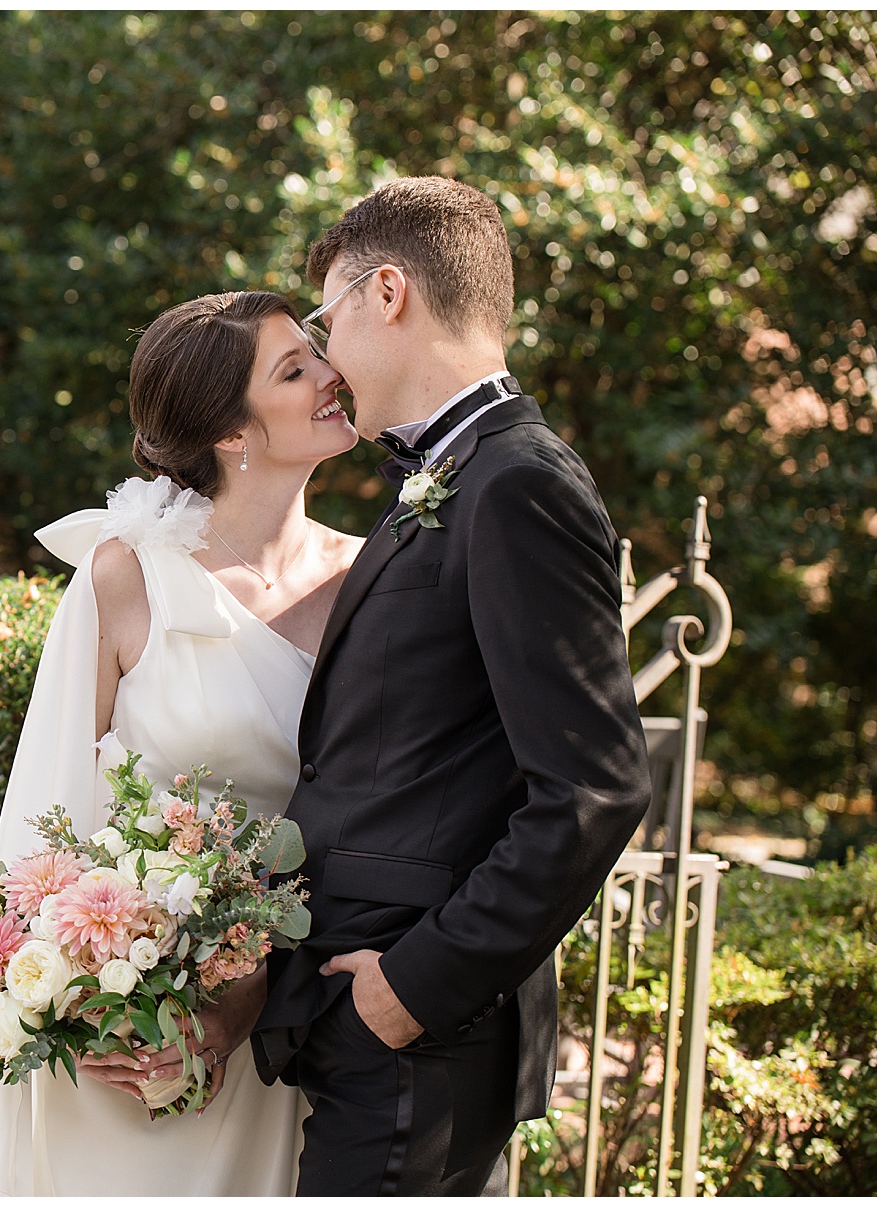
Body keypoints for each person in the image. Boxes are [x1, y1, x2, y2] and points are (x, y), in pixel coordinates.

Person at [246, 176, 654, 1195]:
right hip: (364, 1030)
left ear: (389, 294)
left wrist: (414, 987)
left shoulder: (518, 483)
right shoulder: (444, 478)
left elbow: (595, 788)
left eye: (326, 317)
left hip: (420, 1036)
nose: (326, 353)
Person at [0, 290, 361, 1195]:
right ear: (230, 432)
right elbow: (42, 825)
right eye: (295, 369)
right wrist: (80, 1003)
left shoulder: (373, 578)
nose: (333, 373)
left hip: (268, 1023)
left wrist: (245, 993)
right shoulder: (129, 574)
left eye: (317, 352)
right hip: (117, 1037)